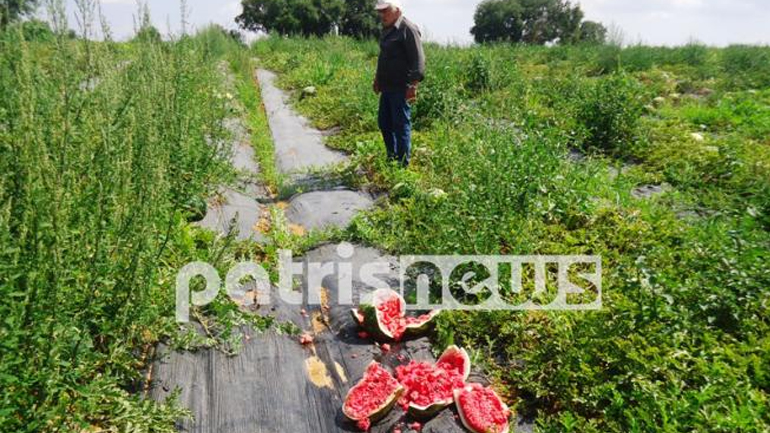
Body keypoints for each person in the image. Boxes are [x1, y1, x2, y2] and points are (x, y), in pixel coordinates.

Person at [373, 0, 425, 167]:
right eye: (380, 12)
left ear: (397, 11)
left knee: (401, 125)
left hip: (401, 88)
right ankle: (392, 157)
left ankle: (402, 164)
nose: (382, 15)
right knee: (384, 123)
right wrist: (377, 78)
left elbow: (418, 60)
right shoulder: (388, 30)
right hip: (387, 87)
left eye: (385, 11)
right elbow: (383, 57)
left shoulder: (408, 29)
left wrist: (413, 86)